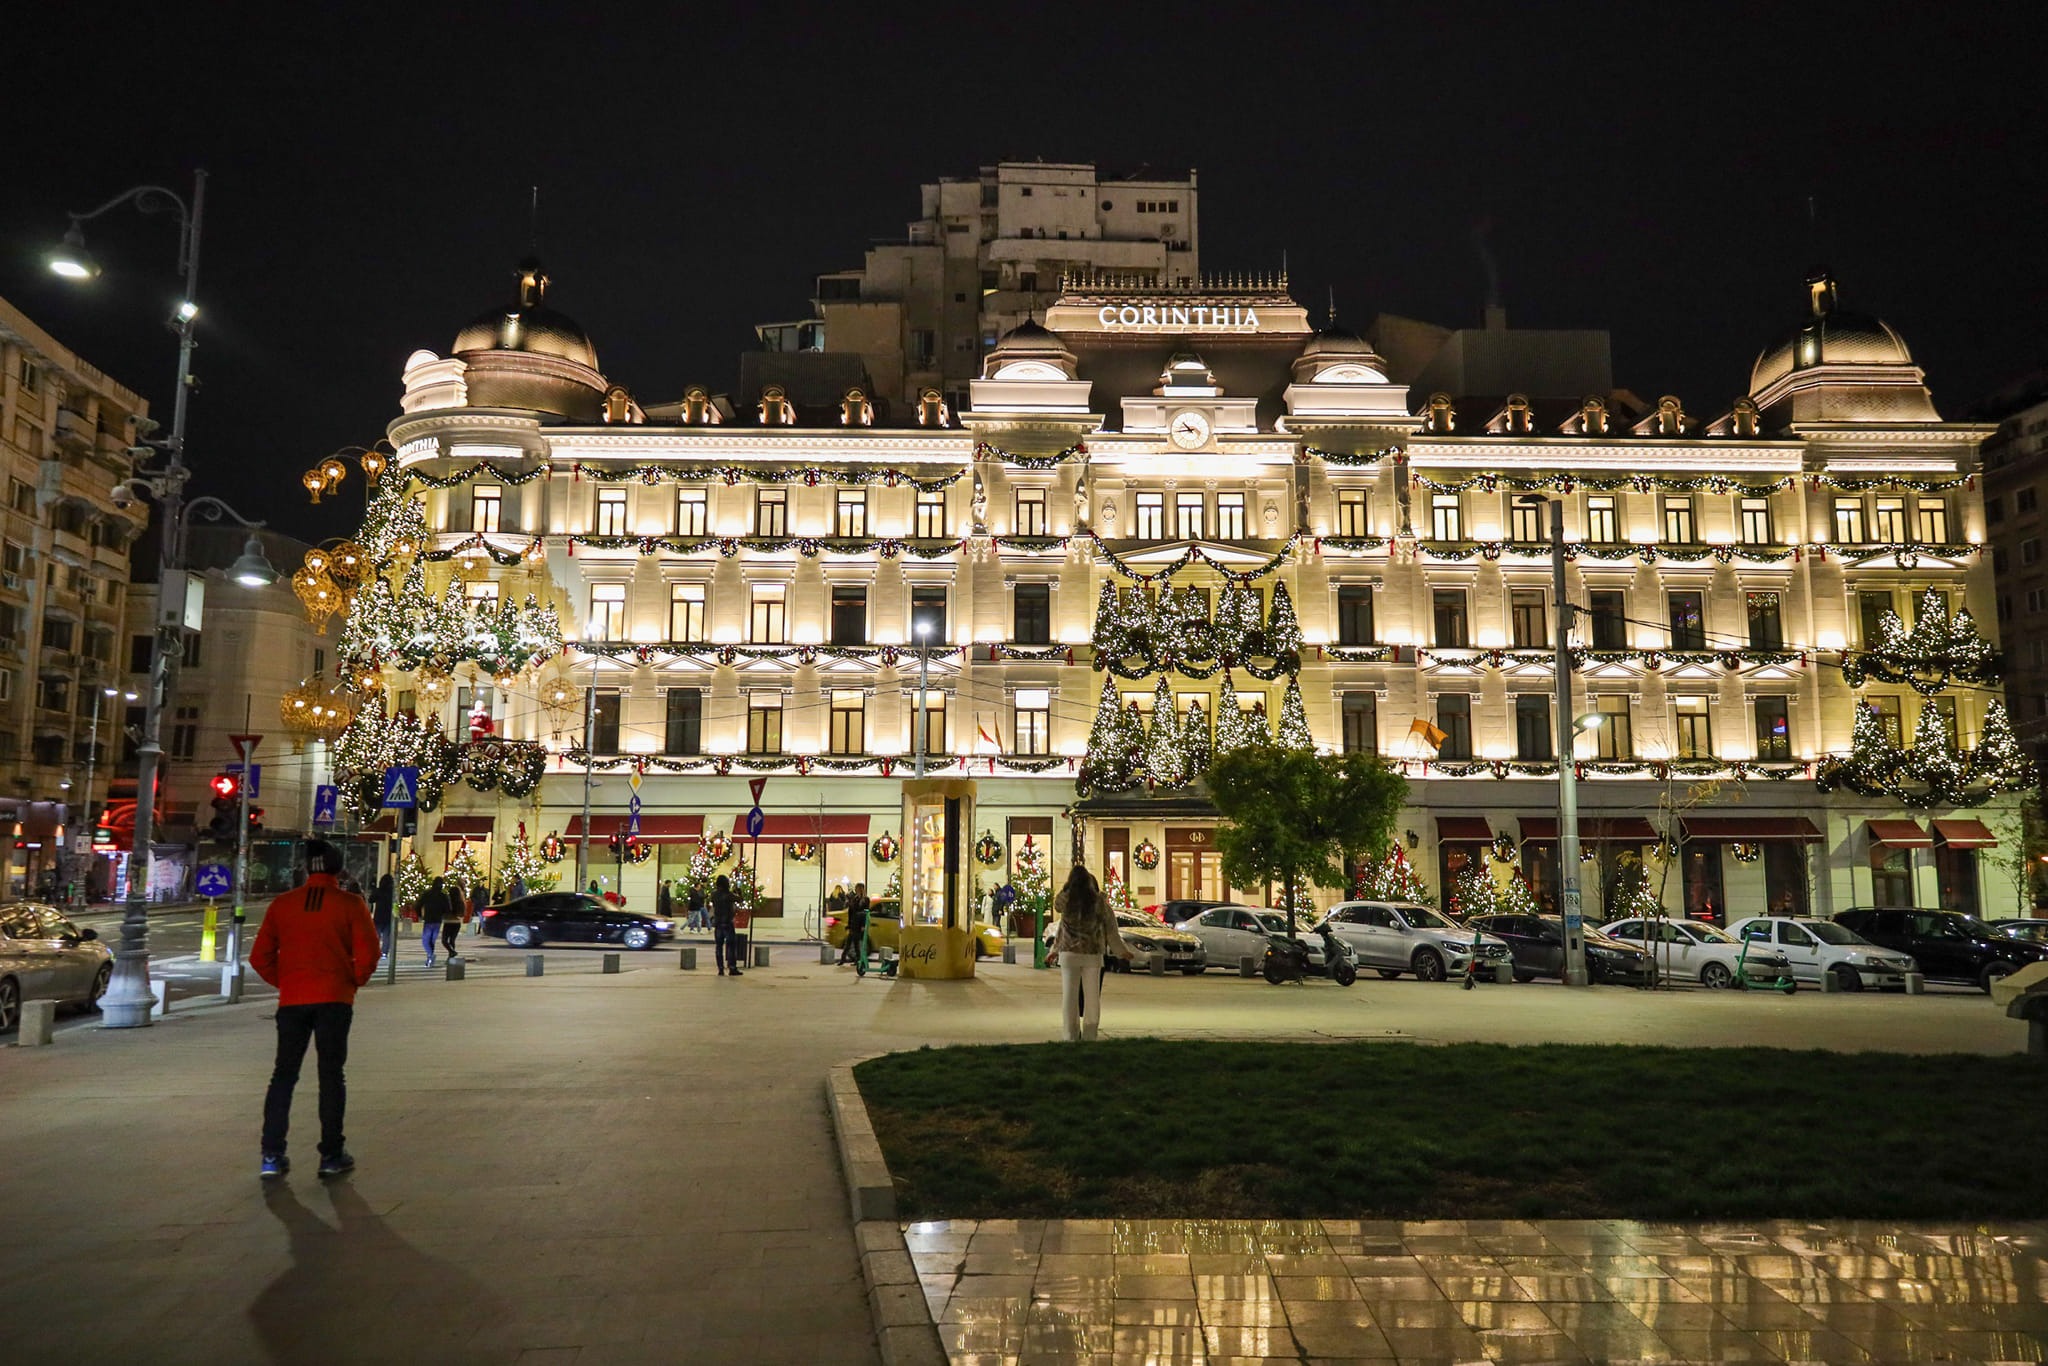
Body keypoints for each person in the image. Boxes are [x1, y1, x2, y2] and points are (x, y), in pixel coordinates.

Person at [251, 839, 382, 1180]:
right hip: (335, 1000)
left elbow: (259, 956)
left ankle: (271, 1154)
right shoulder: (350, 905)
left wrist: (289, 983)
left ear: (307, 868)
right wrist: (352, 981)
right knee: (331, 1075)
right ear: (338, 869)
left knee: (283, 1075)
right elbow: (369, 953)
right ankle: (331, 1154)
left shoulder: (283, 905)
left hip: (293, 1001)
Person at [1048, 865, 1132, 1042]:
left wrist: (1054, 951)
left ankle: (1070, 1035)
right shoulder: (1099, 903)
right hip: (1092, 954)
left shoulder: (1066, 902)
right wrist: (1121, 951)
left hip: (1068, 954)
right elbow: (1111, 931)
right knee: (1092, 997)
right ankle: (1090, 1034)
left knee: (1069, 997)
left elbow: (1062, 929)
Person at [419, 876, 452, 969]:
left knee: (426, 940)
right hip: (437, 920)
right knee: (431, 940)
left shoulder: (427, 894)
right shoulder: (443, 896)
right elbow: (448, 909)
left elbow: (419, 904)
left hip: (429, 919)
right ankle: (430, 957)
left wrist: (420, 915)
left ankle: (430, 956)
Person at [711, 873, 741, 976]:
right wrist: (738, 892)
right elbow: (740, 900)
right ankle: (732, 967)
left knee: (718, 946)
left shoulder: (714, 894)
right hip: (727, 923)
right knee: (731, 946)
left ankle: (720, 968)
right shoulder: (728, 894)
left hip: (718, 923)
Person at [840, 883, 870, 967]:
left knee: (855, 943)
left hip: (859, 924)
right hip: (854, 923)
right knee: (849, 942)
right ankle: (843, 959)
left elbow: (866, 912)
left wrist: (864, 925)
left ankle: (857, 960)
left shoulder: (866, 899)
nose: (856, 890)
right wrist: (849, 924)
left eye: (858, 889)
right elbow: (851, 912)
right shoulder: (854, 899)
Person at [371, 873, 395, 963]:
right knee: (387, 936)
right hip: (388, 917)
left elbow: (371, 899)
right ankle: (384, 952)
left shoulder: (378, 891)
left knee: (376, 936)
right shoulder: (392, 892)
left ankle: (375, 951)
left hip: (379, 916)